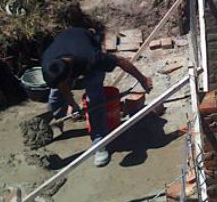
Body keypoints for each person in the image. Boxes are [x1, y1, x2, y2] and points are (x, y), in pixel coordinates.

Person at [41, 27, 153, 167]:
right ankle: (60, 120)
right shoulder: (48, 63)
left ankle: (99, 142)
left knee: (94, 99)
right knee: (54, 99)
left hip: (85, 48)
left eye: (67, 82)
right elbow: (61, 85)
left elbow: (121, 61)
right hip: (67, 41)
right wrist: (72, 104)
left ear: (71, 74)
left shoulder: (92, 59)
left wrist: (143, 80)